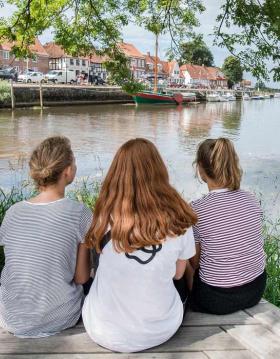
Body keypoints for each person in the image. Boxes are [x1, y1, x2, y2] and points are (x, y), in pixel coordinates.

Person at [82, 138, 197, 353]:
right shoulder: (179, 218)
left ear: (117, 174)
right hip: (161, 331)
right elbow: (179, 274)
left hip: (102, 330)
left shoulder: (103, 216)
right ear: (159, 171)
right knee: (177, 279)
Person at [0, 136, 92, 337]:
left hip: (12, 318)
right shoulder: (80, 213)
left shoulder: (13, 213)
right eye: (74, 161)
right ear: (67, 171)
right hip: (59, 317)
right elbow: (82, 277)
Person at [190, 138, 266, 315]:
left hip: (216, 300)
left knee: (182, 259)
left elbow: (194, 262)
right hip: (255, 290)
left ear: (201, 170)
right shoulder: (251, 199)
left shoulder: (196, 210)